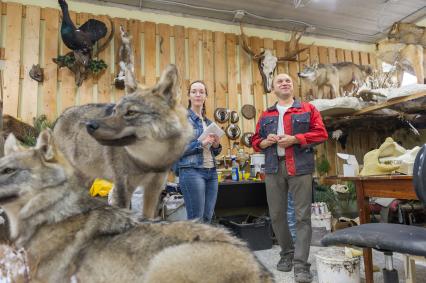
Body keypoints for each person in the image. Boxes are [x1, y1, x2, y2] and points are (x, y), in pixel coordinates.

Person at [252, 73, 328, 282]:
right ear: (273, 89)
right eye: (280, 81)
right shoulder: (266, 114)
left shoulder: (308, 109)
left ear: (292, 87)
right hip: (273, 168)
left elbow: (321, 133)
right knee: (276, 215)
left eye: (288, 81)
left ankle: (301, 264)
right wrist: (265, 142)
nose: (285, 83)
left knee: (302, 216)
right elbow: (255, 140)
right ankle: (287, 253)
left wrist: (296, 139)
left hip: (300, 168)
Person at [175, 80, 222, 223]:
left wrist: (216, 145)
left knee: (208, 217)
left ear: (206, 96)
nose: (198, 94)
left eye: (201, 92)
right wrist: (200, 143)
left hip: (211, 172)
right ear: (189, 96)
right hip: (192, 172)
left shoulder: (208, 122)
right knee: (196, 219)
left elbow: (215, 151)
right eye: (194, 91)